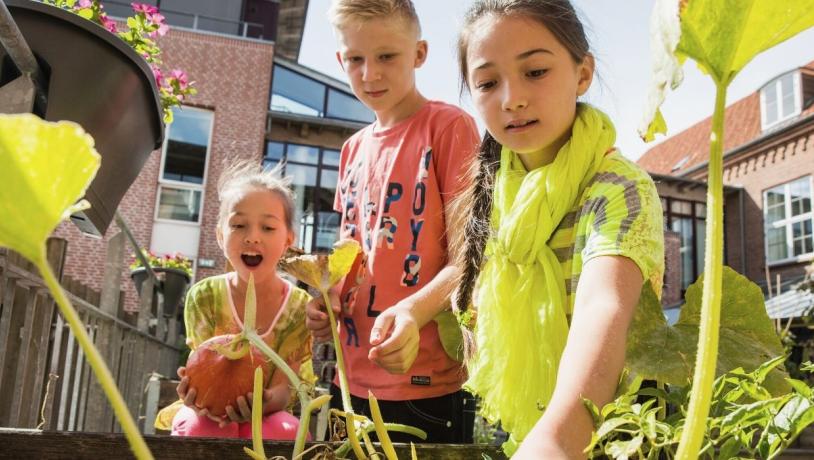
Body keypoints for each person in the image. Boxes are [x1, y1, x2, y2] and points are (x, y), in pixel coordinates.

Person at [452, 0, 665, 458]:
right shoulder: (497, 193)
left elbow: (603, 306)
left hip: (611, 434)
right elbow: (473, 283)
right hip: (519, 432)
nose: (512, 98)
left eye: (535, 72)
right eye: (488, 83)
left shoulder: (618, 187)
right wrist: (413, 312)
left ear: (583, 74)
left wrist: (557, 437)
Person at [304, 0, 480, 443]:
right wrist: (327, 301)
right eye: (356, 59)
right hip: (348, 381)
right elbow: (350, 257)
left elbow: (470, 260)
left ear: (419, 54)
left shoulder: (449, 127)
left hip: (426, 383)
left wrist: (412, 312)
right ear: (340, 60)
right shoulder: (351, 149)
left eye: (386, 56)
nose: (370, 74)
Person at [156, 161, 312, 439]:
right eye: (238, 225)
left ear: (288, 240)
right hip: (208, 410)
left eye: (268, 228)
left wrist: (264, 402)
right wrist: (196, 392)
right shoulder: (204, 297)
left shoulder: (299, 306)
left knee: (284, 432)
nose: (252, 237)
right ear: (220, 235)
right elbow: (202, 368)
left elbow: (284, 388)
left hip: (268, 412)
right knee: (198, 428)